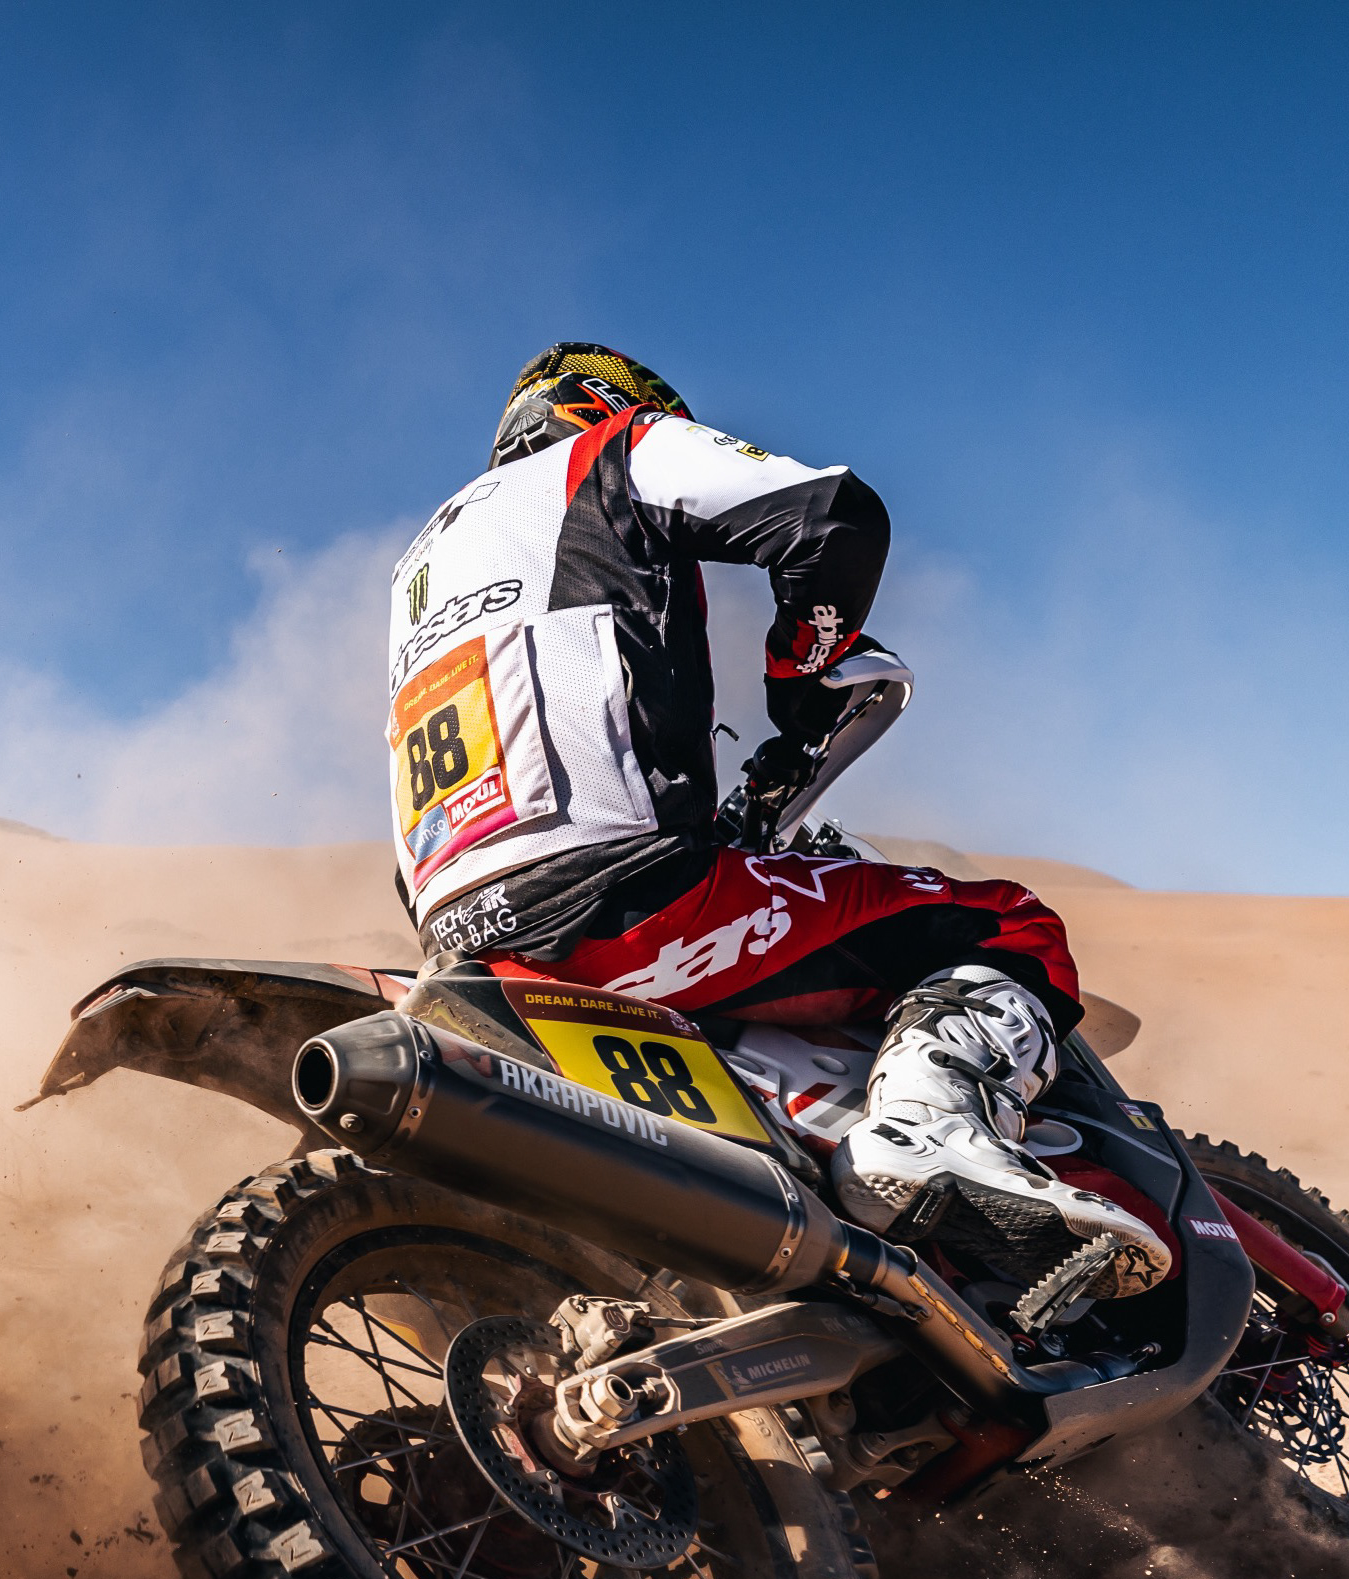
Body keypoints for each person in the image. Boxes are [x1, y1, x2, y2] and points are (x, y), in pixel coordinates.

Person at [386, 342, 1169, 1297]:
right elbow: (834, 516)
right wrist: (803, 671)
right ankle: (923, 1130)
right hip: (631, 906)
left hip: (463, 939)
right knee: (1008, 924)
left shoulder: (419, 569)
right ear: (598, 402)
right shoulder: (611, 454)